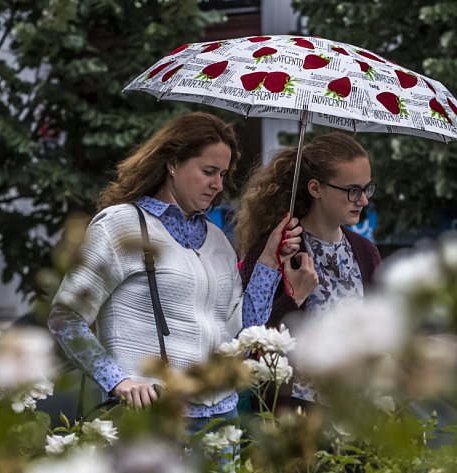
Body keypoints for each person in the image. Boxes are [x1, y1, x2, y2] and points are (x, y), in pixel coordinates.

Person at [47, 112, 306, 432]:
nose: (218, 184)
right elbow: (65, 316)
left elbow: (244, 329)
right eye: (208, 171)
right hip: (150, 415)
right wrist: (117, 381)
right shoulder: (120, 226)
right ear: (172, 163)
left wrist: (270, 259)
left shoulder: (217, 240)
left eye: (223, 174)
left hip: (221, 418)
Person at [235, 132, 382, 409]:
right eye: (353, 190)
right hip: (291, 411)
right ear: (316, 188)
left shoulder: (366, 252)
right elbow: (250, 338)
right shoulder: (277, 247)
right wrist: (293, 297)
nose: (363, 200)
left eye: (367, 189)